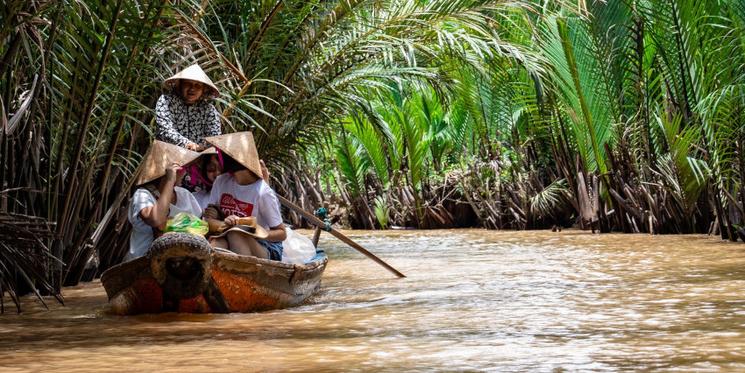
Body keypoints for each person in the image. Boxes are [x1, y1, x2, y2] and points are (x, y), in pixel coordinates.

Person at [202, 132, 287, 261]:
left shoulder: (263, 192)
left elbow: (281, 233)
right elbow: (208, 219)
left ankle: (245, 276)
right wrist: (227, 223)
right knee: (217, 243)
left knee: (235, 233)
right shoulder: (221, 182)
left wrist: (254, 230)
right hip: (228, 234)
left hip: (266, 246)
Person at [125, 141, 203, 261]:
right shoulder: (143, 195)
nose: (185, 172)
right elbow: (156, 219)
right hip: (143, 261)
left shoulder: (184, 194)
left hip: (182, 261)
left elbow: (200, 225)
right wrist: (170, 180)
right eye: (182, 168)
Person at [156, 64, 221, 151]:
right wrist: (189, 145)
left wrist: (211, 156)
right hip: (170, 154)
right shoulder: (167, 101)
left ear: (203, 90)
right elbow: (165, 130)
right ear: (180, 85)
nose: (192, 89)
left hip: (200, 157)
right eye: (188, 84)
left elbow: (215, 137)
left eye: (198, 86)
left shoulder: (208, 110)